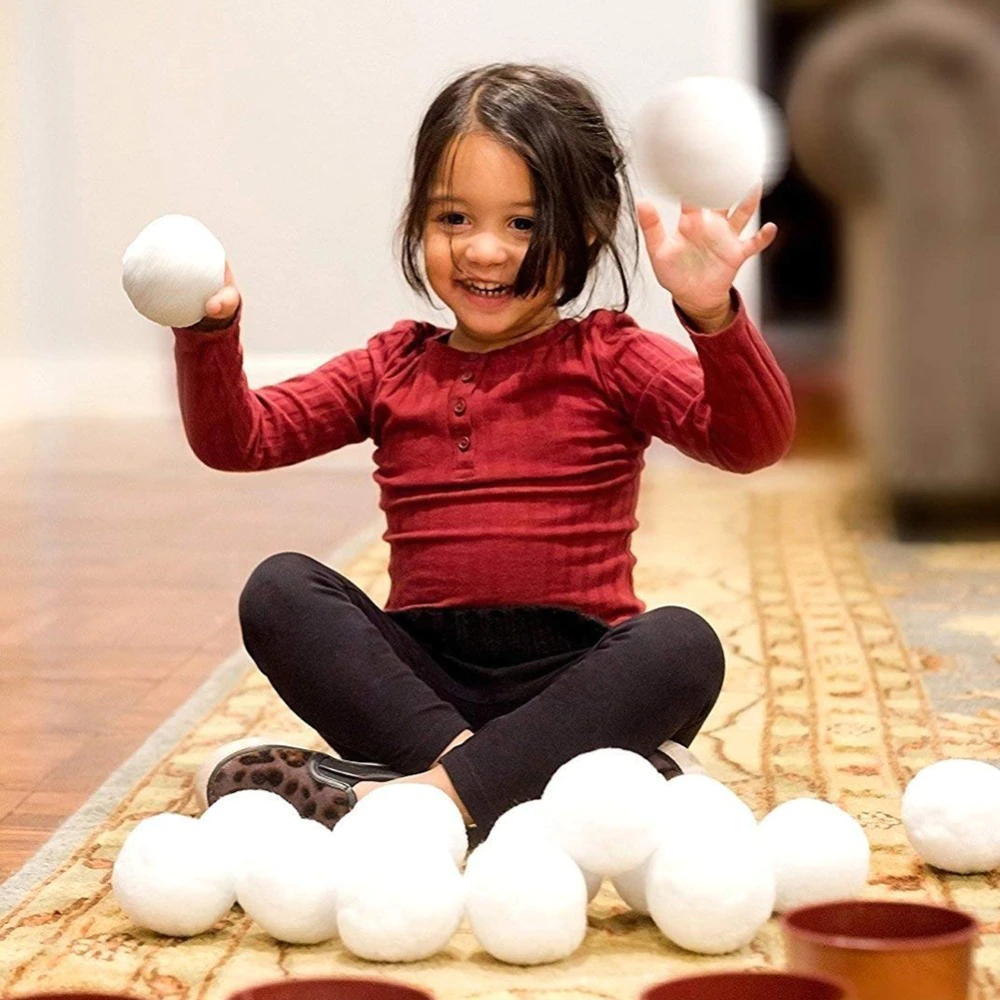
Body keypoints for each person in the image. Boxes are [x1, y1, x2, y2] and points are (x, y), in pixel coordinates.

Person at [173, 62, 794, 836]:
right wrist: (206, 334)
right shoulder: (390, 364)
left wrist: (713, 317)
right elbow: (242, 439)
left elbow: (751, 443)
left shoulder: (609, 355)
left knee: (681, 644)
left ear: (588, 228)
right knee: (278, 591)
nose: (485, 252)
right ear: (418, 222)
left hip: (573, 682)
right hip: (422, 695)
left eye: (524, 223)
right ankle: (508, 787)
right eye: (453, 219)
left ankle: (409, 798)